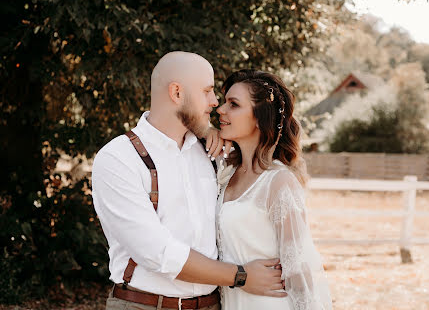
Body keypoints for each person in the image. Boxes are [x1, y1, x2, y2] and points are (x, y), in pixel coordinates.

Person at [92, 52, 285, 310]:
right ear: (177, 93)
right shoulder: (119, 158)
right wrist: (241, 276)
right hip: (144, 305)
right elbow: (157, 252)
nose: (215, 102)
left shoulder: (213, 153)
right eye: (207, 91)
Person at [215, 69, 333, 310]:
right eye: (224, 101)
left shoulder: (278, 182)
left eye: (233, 104)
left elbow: (298, 270)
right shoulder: (226, 174)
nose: (220, 109)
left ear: (259, 118)